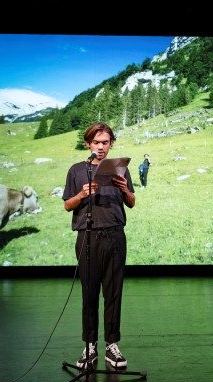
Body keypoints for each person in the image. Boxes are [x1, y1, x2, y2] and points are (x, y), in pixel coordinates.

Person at [62, 122, 136, 368]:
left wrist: (125, 189)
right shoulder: (76, 170)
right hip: (88, 237)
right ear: (88, 144)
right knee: (89, 293)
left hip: (115, 235)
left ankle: (112, 346)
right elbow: (67, 205)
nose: (101, 147)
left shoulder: (120, 169)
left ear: (111, 143)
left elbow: (132, 202)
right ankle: (89, 346)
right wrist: (82, 195)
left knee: (114, 293)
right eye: (96, 142)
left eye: (105, 142)